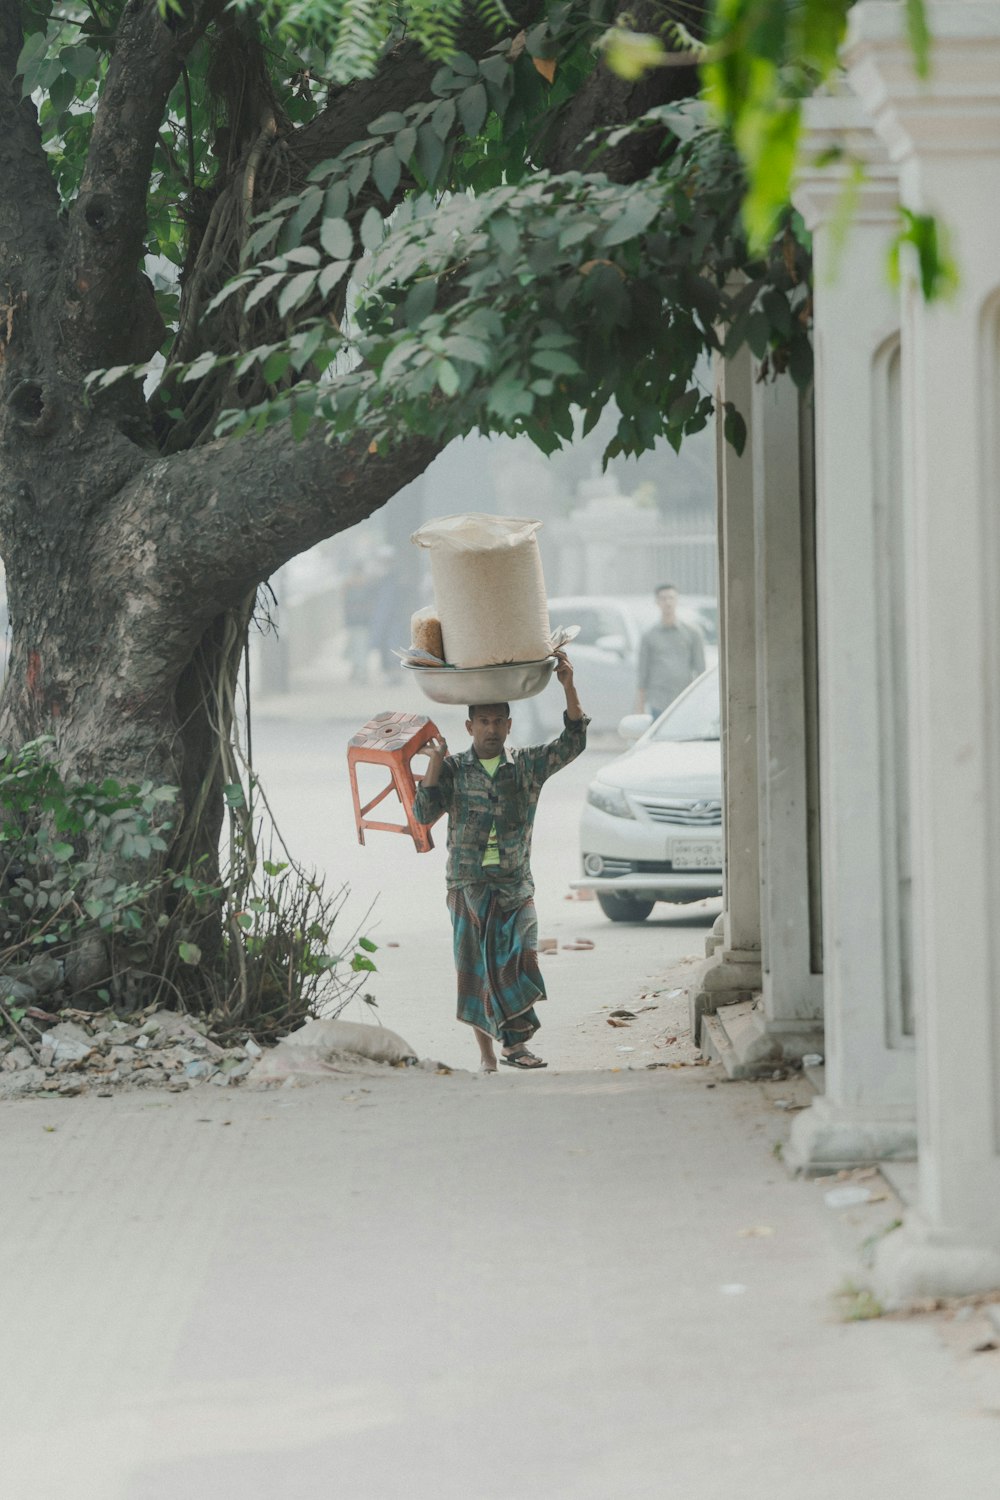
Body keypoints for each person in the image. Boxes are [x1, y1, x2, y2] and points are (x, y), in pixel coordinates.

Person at [412, 651, 588, 1073]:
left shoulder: (526, 765)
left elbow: (574, 742)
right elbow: (422, 814)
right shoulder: (453, 770)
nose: (491, 730)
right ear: (470, 726)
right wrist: (435, 764)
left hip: (515, 885)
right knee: (476, 970)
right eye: (483, 723)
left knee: (519, 959)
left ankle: (514, 1042)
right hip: (468, 886)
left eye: (498, 722)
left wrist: (567, 684)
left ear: (509, 726)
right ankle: (494, 1053)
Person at [635, 582, 706, 721]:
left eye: (671, 598)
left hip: (685, 701)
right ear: (657, 602)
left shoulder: (692, 632)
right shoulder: (649, 635)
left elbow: (700, 670)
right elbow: (642, 674)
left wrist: (701, 703)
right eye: (663, 598)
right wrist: (640, 707)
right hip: (658, 701)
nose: (667, 602)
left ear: (677, 600)